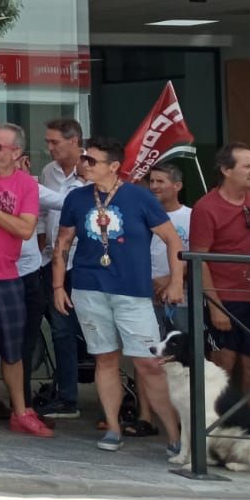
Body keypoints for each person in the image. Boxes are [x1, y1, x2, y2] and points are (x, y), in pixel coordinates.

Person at [52, 136, 185, 454]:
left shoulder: (140, 198)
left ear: (113, 167)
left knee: (149, 363)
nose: (84, 164)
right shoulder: (77, 198)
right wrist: (58, 286)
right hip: (88, 289)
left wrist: (176, 282)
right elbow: (62, 244)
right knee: (105, 358)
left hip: (132, 292)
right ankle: (112, 428)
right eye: (84, 158)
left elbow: (173, 240)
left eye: (92, 160)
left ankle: (175, 436)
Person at [0, 124, 51, 436]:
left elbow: (25, 229)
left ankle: (21, 410)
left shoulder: (26, 185)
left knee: (13, 349)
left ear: (16, 153)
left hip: (8, 275)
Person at [189, 143, 250, 401]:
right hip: (224, 297)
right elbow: (199, 260)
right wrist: (215, 306)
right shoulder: (206, 207)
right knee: (223, 364)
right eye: (247, 166)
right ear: (226, 170)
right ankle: (216, 430)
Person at [38, 118, 87, 422]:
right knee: (60, 330)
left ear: (74, 141)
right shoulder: (48, 172)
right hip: (52, 262)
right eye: (48, 142)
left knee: (77, 330)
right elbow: (43, 213)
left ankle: (72, 392)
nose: (50, 148)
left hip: (84, 263)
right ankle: (66, 393)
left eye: (55, 142)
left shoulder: (91, 170)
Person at [146, 161, 193, 331]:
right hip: (146, 297)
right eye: (151, 181)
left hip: (181, 300)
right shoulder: (142, 216)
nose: (154, 186)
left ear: (177, 185)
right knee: (151, 353)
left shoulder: (191, 216)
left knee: (183, 352)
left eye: (160, 181)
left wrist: (171, 279)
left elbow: (198, 256)